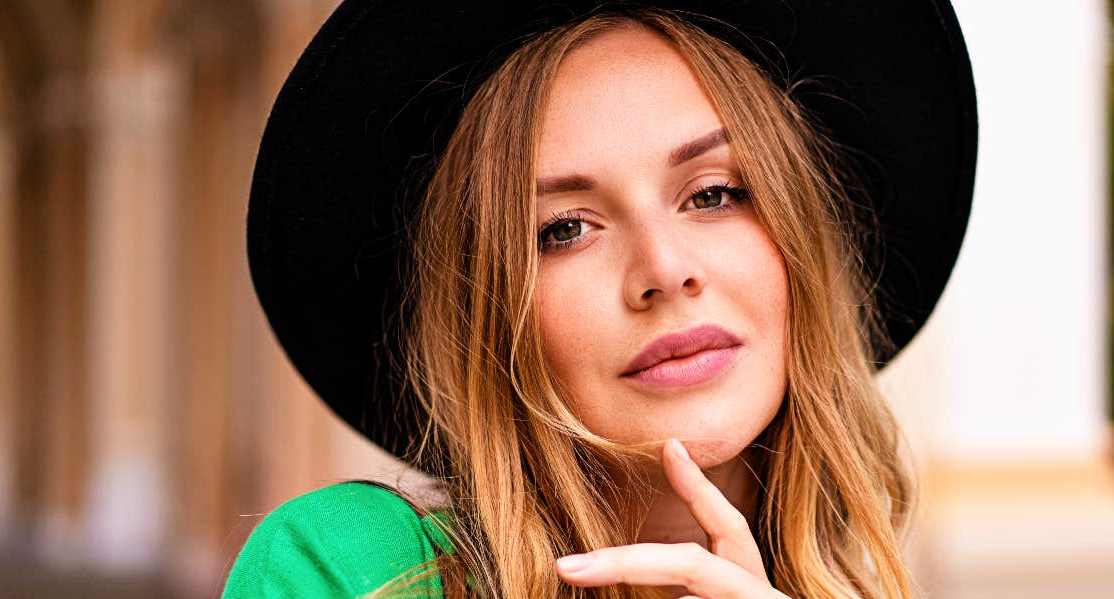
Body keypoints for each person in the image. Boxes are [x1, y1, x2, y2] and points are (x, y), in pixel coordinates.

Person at [223, 1, 976, 597]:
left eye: (713, 193)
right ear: (485, 311)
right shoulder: (356, 571)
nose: (663, 268)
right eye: (565, 229)